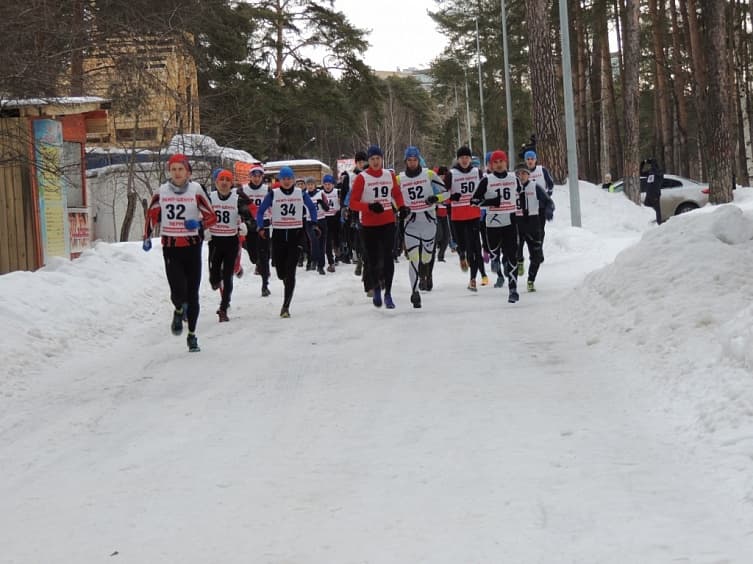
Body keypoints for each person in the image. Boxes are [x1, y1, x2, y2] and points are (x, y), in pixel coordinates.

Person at [143, 153, 217, 352]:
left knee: (192, 294)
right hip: (171, 247)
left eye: (180, 169)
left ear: (188, 172)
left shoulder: (196, 190)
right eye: (173, 169)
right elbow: (152, 215)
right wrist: (147, 236)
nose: (177, 173)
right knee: (177, 290)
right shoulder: (161, 191)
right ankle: (178, 309)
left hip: (192, 246)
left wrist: (199, 223)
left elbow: (212, 217)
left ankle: (192, 335)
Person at [348, 144, 407, 309]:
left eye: (378, 158)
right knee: (373, 259)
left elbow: (396, 193)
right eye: (372, 159)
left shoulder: (389, 175)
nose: (375, 162)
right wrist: (369, 207)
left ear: (382, 159)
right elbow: (353, 203)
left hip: (388, 222)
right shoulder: (362, 178)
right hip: (369, 225)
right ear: (369, 160)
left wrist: (402, 207)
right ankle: (376, 289)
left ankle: (388, 293)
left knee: (388, 258)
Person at [255, 166, 319, 318]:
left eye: (289, 178)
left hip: (295, 235)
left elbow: (312, 208)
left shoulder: (300, 193)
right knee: (280, 272)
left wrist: (314, 223)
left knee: (291, 272)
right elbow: (260, 211)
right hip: (278, 236)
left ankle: (285, 306)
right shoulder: (273, 194)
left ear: (293, 179)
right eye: (284, 178)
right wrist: (260, 226)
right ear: (280, 180)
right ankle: (285, 280)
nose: (287, 181)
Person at [397, 146, 448, 308]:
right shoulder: (399, 179)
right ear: (405, 161)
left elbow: (446, 193)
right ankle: (415, 293)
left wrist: (435, 198)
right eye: (409, 160)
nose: (412, 163)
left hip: (428, 222)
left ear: (419, 160)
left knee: (426, 257)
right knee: (413, 259)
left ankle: (425, 269)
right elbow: (391, 197)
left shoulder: (429, 174)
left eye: (415, 160)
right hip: (411, 223)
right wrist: (400, 209)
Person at [471, 150, 520, 302]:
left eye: (501, 161)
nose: (499, 165)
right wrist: (490, 202)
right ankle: (495, 258)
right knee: (493, 249)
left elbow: (520, 194)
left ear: (506, 162)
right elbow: (473, 201)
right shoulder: (487, 180)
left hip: (510, 221)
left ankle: (513, 289)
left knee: (512, 256)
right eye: (495, 162)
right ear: (491, 165)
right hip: (493, 223)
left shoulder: (514, 178)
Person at [206, 169, 249, 321]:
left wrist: (245, 225)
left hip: (231, 241)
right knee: (214, 277)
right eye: (221, 179)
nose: (224, 182)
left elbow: (247, 213)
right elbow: (201, 214)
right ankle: (217, 281)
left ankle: (223, 308)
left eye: (227, 180)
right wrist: (203, 228)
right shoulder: (209, 197)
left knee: (227, 275)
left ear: (231, 184)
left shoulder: (237, 198)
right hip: (215, 241)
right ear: (216, 182)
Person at [445, 146, 485, 291]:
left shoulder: (477, 172)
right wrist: (451, 197)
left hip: (473, 214)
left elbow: (484, 190)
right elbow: (443, 195)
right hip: (457, 217)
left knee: (473, 248)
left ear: (470, 159)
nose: (464, 160)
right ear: (458, 159)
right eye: (462, 158)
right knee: (462, 245)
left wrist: (481, 200)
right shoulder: (451, 174)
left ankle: (472, 279)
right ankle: (461, 255)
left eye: (467, 157)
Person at [515, 163, 555, 292]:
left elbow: (549, 201)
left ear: (528, 175)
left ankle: (531, 280)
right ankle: (519, 261)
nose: (521, 176)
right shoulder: (511, 188)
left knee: (536, 256)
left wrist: (549, 210)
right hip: (517, 223)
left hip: (533, 223)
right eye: (519, 174)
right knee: (516, 249)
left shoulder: (535, 186)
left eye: (524, 173)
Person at [240, 163, 272, 296]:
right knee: (253, 257)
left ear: (262, 177)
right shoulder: (243, 189)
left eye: (259, 176)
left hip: (264, 223)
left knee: (264, 255)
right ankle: (258, 263)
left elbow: (273, 205)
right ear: (250, 176)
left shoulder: (267, 189)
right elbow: (239, 205)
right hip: (250, 225)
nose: (257, 178)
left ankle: (265, 285)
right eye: (254, 176)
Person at [304, 176, 329, 274]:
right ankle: (314, 260)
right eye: (308, 184)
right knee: (314, 240)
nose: (310, 186)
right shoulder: (304, 195)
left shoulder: (321, 193)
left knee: (322, 244)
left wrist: (321, 203)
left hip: (321, 220)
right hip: (310, 221)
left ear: (315, 185)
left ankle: (321, 266)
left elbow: (327, 208)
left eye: (312, 184)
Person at [322, 174, 340, 272]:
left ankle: (337, 254)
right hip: (325, 218)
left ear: (333, 185)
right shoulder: (320, 193)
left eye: (329, 184)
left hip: (335, 217)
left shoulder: (337, 192)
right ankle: (331, 261)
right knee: (328, 241)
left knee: (336, 238)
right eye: (325, 184)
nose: (327, 186)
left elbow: (342, 203)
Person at [642, 158, 663, 224]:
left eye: (652, 164)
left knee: (656, 210)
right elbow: (640, 173)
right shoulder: (649, 172)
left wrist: (651, 162)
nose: (651, 166)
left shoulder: (659, 172)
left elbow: (656, 171)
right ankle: (649, 224)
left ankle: (658, 223)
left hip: (655, 195)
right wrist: (643, 163)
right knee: (646, 209)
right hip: (648, 195)